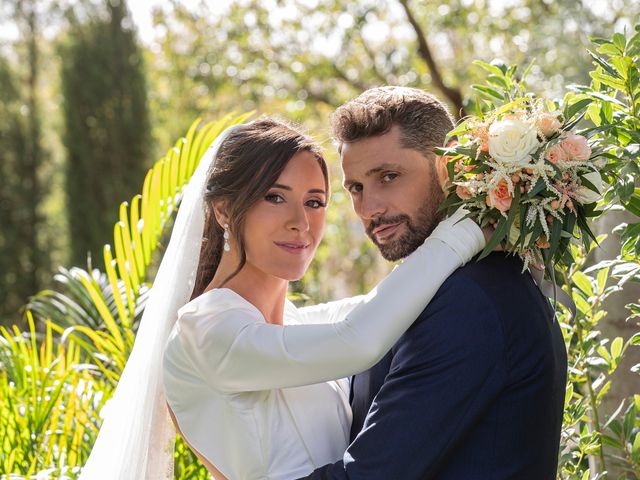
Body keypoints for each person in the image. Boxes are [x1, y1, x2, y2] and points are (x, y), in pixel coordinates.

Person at [78, 117, 485, 480]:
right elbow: (359, 340)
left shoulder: (292, 325)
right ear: (223, 210)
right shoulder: (204, 330)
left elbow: (387, 304)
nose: (300, 222)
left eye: (314, 202)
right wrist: (471, 229)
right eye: (275, 197)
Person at [300, 87, 568, 480]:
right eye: (355, 188)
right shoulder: (432, 287)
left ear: (449, 167)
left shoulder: (469, 300)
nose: (369, 208)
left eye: (389, 177)